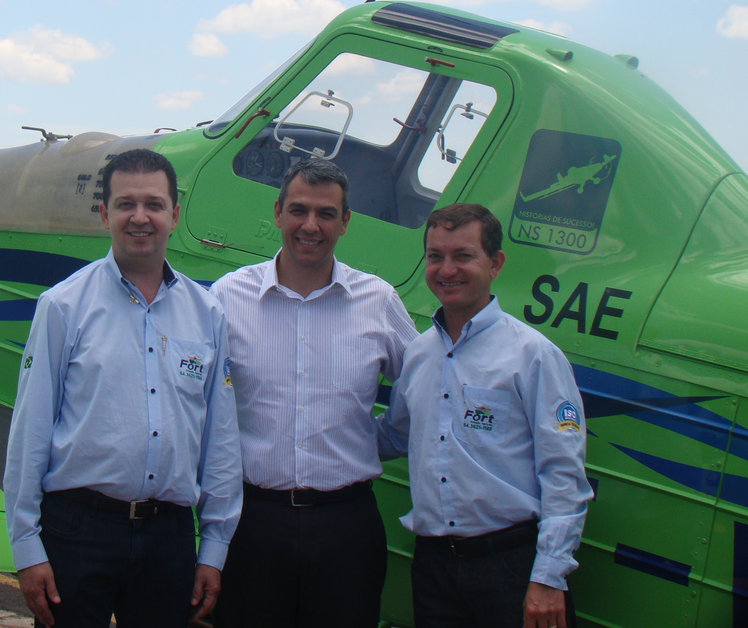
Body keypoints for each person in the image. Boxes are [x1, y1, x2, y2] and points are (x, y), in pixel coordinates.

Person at [3, 149, 243, 628]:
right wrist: (27, 548)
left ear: (174, 214)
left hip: (169, 537)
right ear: (103, 214)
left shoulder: (208, 313)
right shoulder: (63, 306)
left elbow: (221, 440)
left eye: (154, 204)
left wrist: (214, 548)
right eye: (125, 204)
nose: (140, 217)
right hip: (77, 531)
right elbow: (29, 430)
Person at [209, 158, 418, 628]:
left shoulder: (378, 301)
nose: (310, 225)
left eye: (326, 214)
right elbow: (198, 401)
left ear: (345, 223)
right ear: (278, 212)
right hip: (251, 522)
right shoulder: (227, 297)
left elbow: (425, 388)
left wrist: (377, 439)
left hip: (346, 526)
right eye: (299, 210)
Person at [375, 203, 593, 628]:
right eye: (436, 256)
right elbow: (393, 436)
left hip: (511, 567)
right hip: (435, 567)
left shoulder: (533, 356)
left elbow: (564, 473)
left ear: (495, 263)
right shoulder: (418, 354)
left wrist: (549, 577)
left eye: (463, 256)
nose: (447, 269)